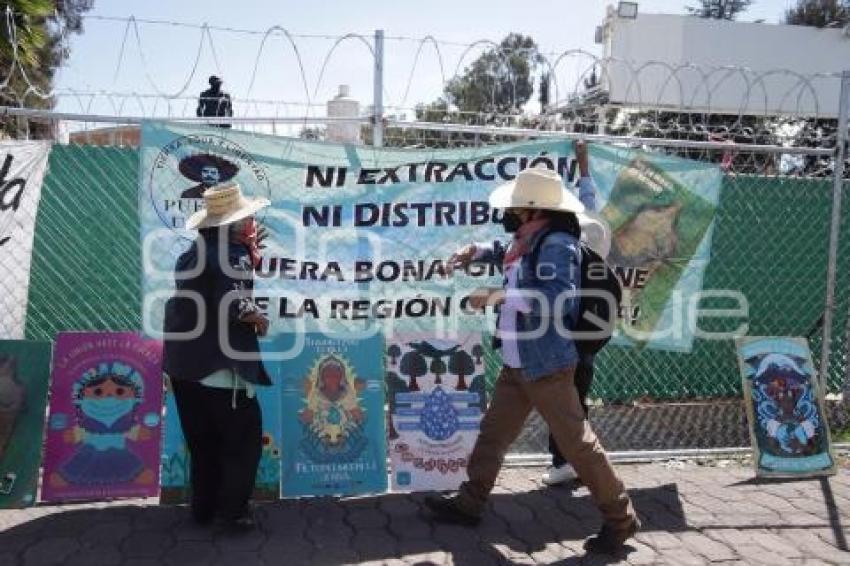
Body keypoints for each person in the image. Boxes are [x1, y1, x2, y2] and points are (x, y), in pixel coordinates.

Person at [427, 157, 638, 555]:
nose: (508, 213)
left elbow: (556, 299)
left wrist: (494, 295)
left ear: (535, 209)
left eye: (516, 206)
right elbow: (509, 253)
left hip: (546, 366)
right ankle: (471, 503)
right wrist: (476, 250)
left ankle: (622, 520)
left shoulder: (557, 244)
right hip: (519, 362)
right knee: (493, 436)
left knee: (578, 446)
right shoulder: (531, 238)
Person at [162, 181, 271, 532]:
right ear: (235, 223)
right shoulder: (231, 253)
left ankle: (203, 510)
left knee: (203, 443)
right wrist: (259, 319)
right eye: (249, 216)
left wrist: (250, 257)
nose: (253, 221)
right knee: (242, 441)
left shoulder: (194, 251)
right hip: (219, 367)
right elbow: (234, 303)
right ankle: (233, 515)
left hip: (185, 365)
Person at [543, 141, 612, 487]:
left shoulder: (563, 240)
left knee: (564, 402)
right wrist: (583, 165)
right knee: (573, 400)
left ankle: (571, 461)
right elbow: (589, 203)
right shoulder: (592, 233)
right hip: (588, 333)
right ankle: (573, 461)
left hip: (563, 333)